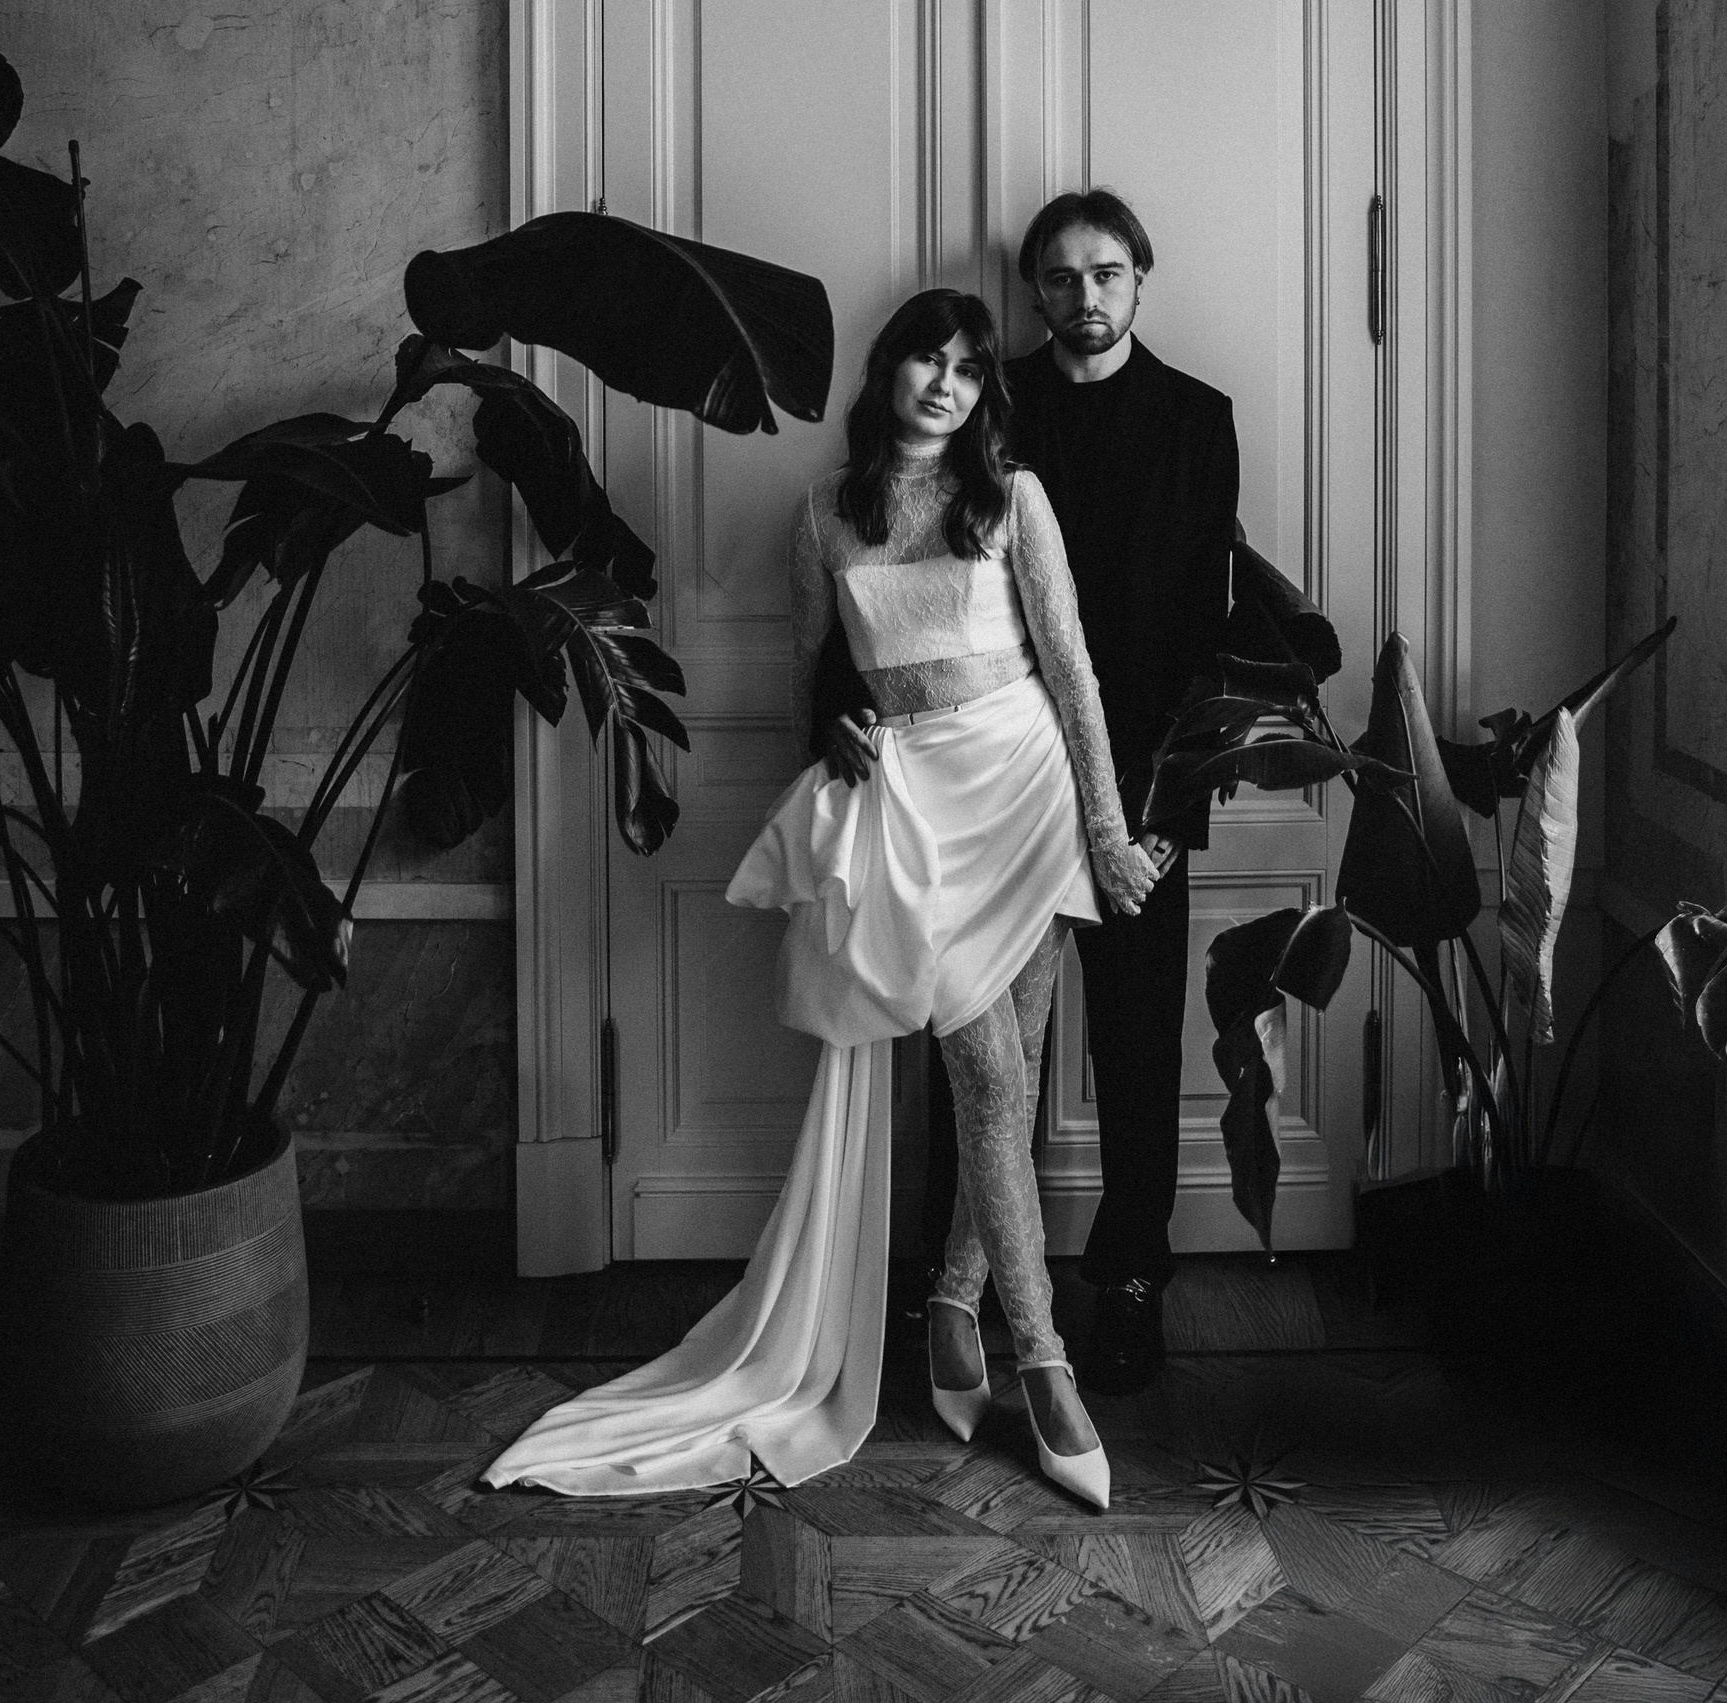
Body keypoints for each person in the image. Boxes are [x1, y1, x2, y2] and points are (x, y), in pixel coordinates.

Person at [486, 287, 1160, 1508]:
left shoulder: (1012, 497)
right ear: (887, 370)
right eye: (925, 360)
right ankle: (1045, 1364)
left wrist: (1106, 833)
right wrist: (833, 721)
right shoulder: (822, 516)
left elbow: (1073, 669)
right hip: (918, 811)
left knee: (1010, 1080)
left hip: (1027, 792)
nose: (945, 384)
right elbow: (813, 671)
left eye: (967, 368)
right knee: (991, 1083)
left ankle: (953, 1306)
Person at [1007, 189, 1239, 1393]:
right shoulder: (994, 405)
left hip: (1144, 782)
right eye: (1061, 276)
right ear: (1035, 290)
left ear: (1140, 279)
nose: (1084, 295)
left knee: (1140, 1046)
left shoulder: (1198, 419)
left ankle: (1134, 1283)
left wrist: (1164, 808)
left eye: (1105, 273)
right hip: (1001, 776)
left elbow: (1207, 622)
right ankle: (972, 1281)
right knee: (985, 1047)